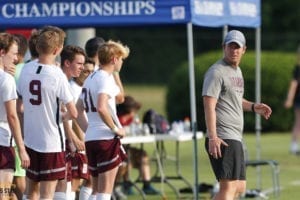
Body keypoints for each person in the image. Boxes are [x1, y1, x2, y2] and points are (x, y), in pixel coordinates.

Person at [202, 30, 272, 200]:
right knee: (228, 189)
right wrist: (213, 137)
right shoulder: (216, 72)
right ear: (223, 47)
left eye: (237, 47)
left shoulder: (237, 71)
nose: (234, 50)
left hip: (235, 136)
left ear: (244, 50)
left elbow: (236, 99)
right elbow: (208, 106)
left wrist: (254, 107)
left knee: (239, 186)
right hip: (223, 137)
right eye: (230, 46)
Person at [17, 26, 77, 200]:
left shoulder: (26, 70)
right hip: (50, 142)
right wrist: (60, 116)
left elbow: (19, 107)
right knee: (47, 194)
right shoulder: (57, 74)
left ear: (37, 47)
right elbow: (73, 112)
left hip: (30, 139)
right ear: (58, 50)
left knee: (31, 191)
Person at [76, 40, 129, 200]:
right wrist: (115, 129)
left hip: (92, 137)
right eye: (121, 59)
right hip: (106, 137)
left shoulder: (91, 77)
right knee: (105, 190)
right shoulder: (105, 79)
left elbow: (78, 109)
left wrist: (89, 129)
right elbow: (101, 107)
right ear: (114, 59)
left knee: (96, 189)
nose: (121, 63)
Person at [0, 32, 30, 200]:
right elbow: (12, 116)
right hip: (3, 140)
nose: (16, 59)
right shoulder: (6, 79)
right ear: (2, 53)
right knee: (3, 194)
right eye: (13, 54)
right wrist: (22, 149)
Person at [54, 44, 86, 200]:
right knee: (61, 184)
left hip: (51, 138)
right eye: (79, 63)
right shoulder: (61, 81)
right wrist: (73, 138)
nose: (82, 68)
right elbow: (65, 114)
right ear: (67, 63)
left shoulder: (61, 79)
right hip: (55, 140)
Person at [116, 96, 160, 196]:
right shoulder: (117, 120)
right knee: (127, 159)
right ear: (129, 109)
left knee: (143, 155)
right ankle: (125, 185)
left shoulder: (131, 119)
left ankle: (147, 185)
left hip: (127, 148)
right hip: (118, 150)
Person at [10, 33, 28, 200]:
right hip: (20, 131)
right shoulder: (28, 70)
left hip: (13, 132)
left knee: (14, 182)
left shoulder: (12, 72)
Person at [284, 45, 300, 154]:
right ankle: (294, 146)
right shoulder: (298, 69)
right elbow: (293, 85)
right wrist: (289, 99)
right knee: (299, 122)